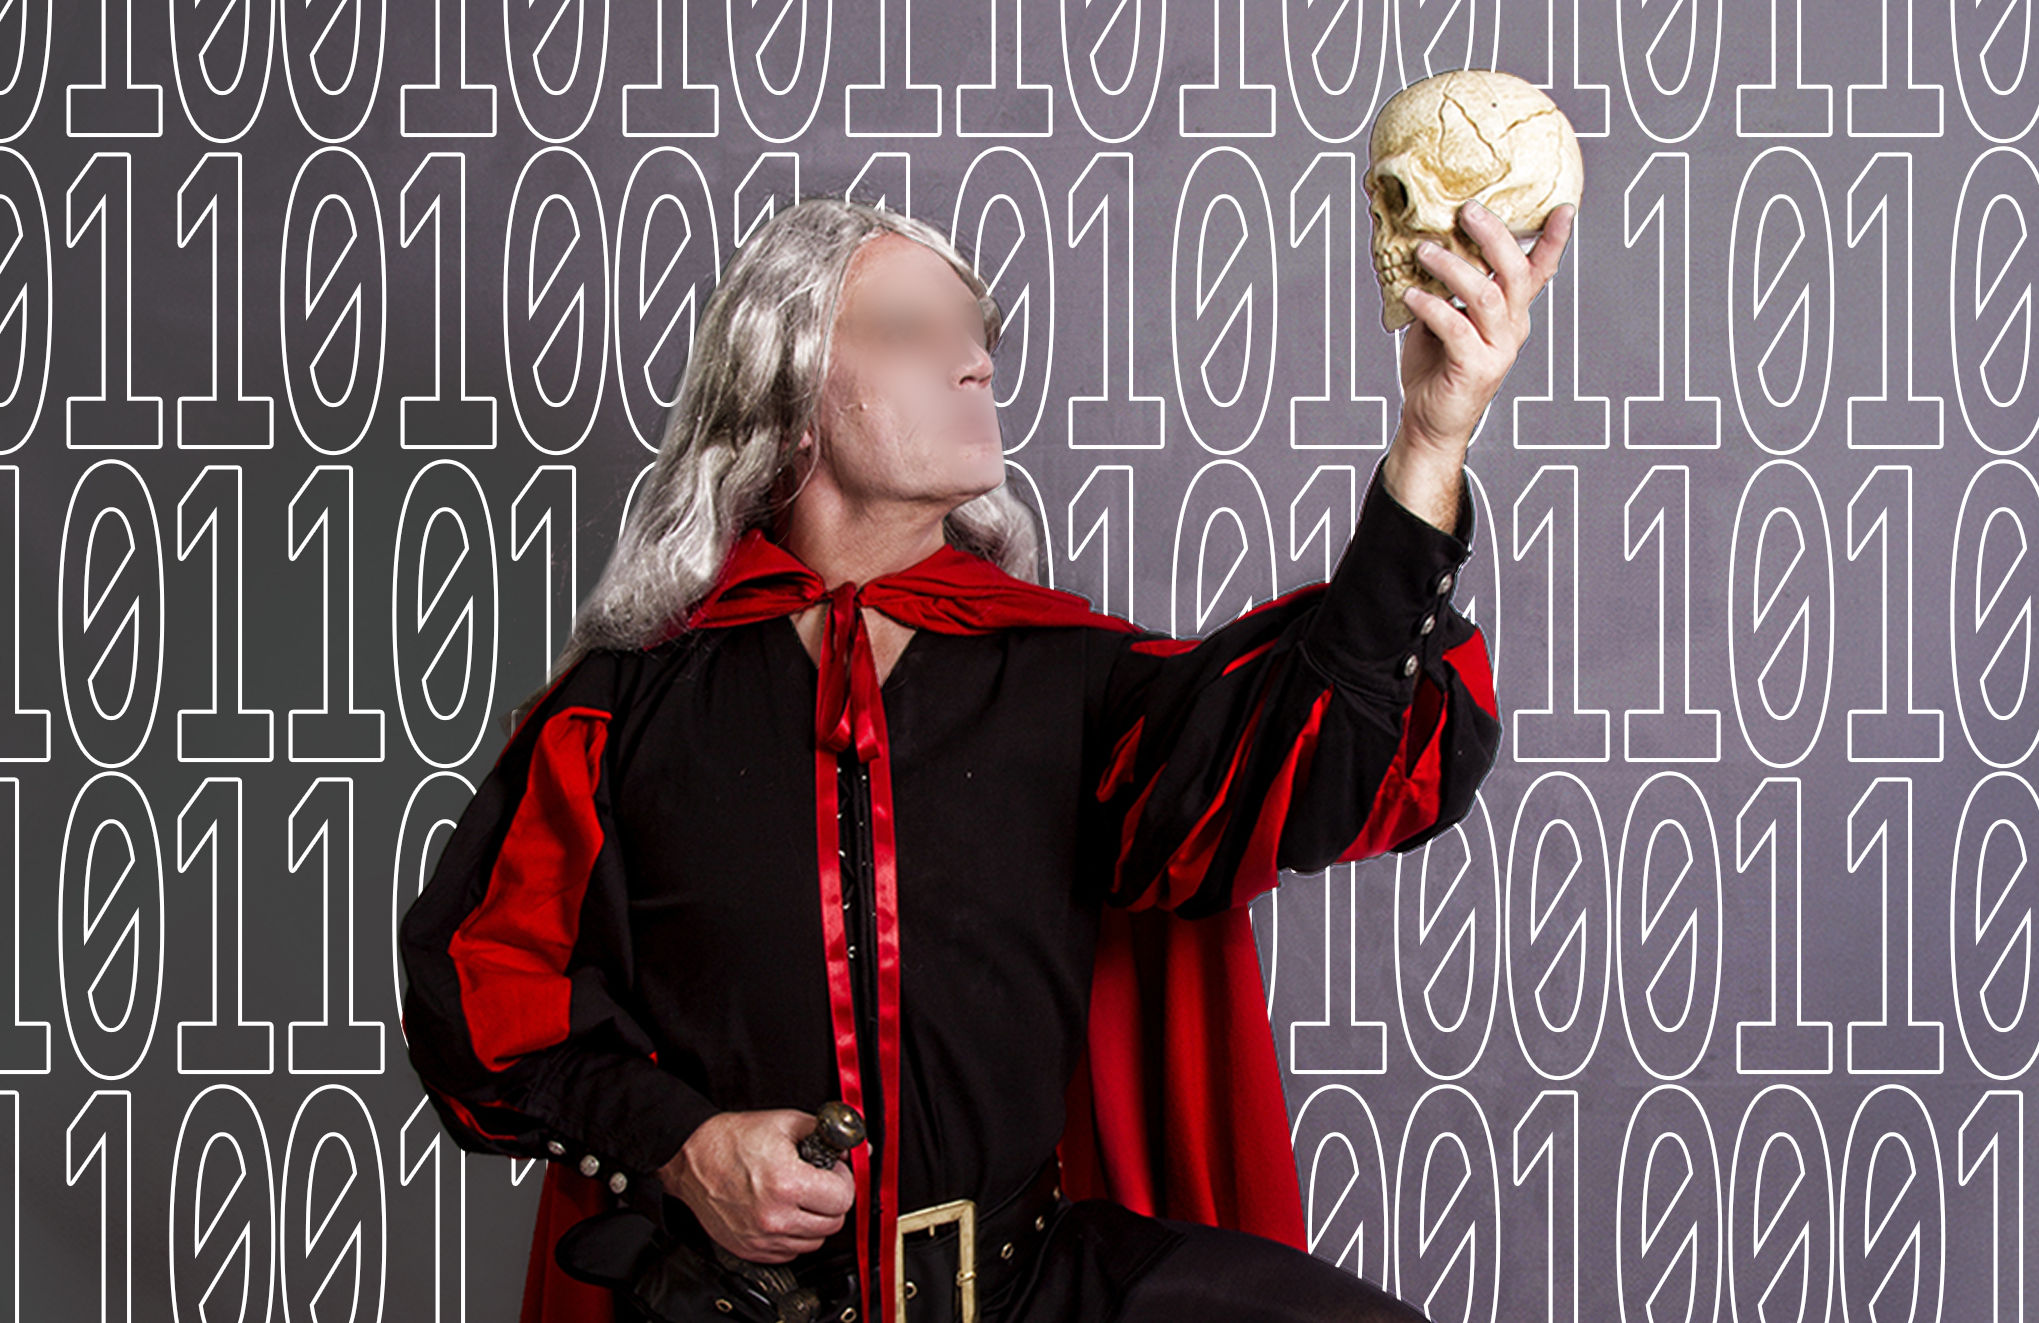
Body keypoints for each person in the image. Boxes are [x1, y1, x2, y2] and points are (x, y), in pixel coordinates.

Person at [399, 191, 1573, 1323]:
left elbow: (1315, 750)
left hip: (1030, 1282)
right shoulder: (623, 711)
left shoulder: (1072, 676)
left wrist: (1430, 440)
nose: (974, 363)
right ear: (789, 394)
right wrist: (682, 1144)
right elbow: (480, 991)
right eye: (911, 331)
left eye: (977, 335)